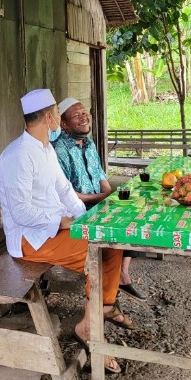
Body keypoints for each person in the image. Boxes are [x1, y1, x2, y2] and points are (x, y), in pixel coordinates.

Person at [0, 88, 134, 374]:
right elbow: (22, 212)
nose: (59, 117)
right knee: (98, 253)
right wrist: (65, 222)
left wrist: (86, 220)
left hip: (54, 229)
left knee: (111, 241)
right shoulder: (18, 156)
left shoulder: (45, 149)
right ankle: (93, 329)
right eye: (58, 113)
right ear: (49, 117)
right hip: (30, 238)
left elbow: (64, 190)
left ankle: (95, 315)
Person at [51, 97, 145, 301]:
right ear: (64, 124)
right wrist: (102, 198)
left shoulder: (88, 142)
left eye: (84, 113)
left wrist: (109, 195)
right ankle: (113, 285)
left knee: (134, 213)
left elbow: (101, 176)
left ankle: (122, 273)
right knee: (117, 227)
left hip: (97, 200)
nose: (83, 117)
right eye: (76, 116)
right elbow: (66, 194)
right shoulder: (59, 149)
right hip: (79, 208)